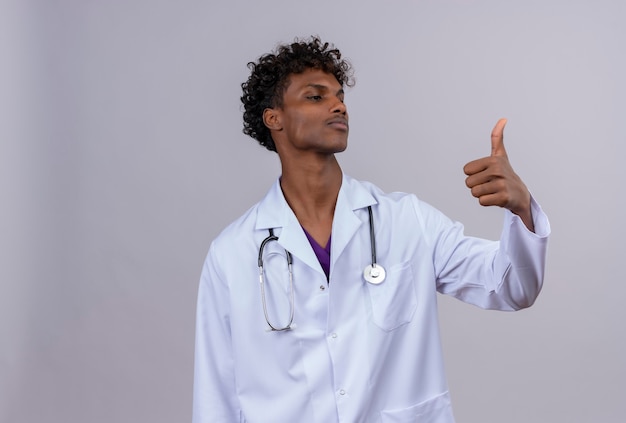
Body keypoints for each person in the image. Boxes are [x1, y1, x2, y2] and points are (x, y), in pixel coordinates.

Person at [192, 36, 550, 423]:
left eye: (340, 95)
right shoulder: (232, 253)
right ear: (273, 117)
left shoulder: (407, 221)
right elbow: (216, 396)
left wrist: (521, 209)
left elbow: (511, 288)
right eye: (315, 97)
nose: (339, 105)